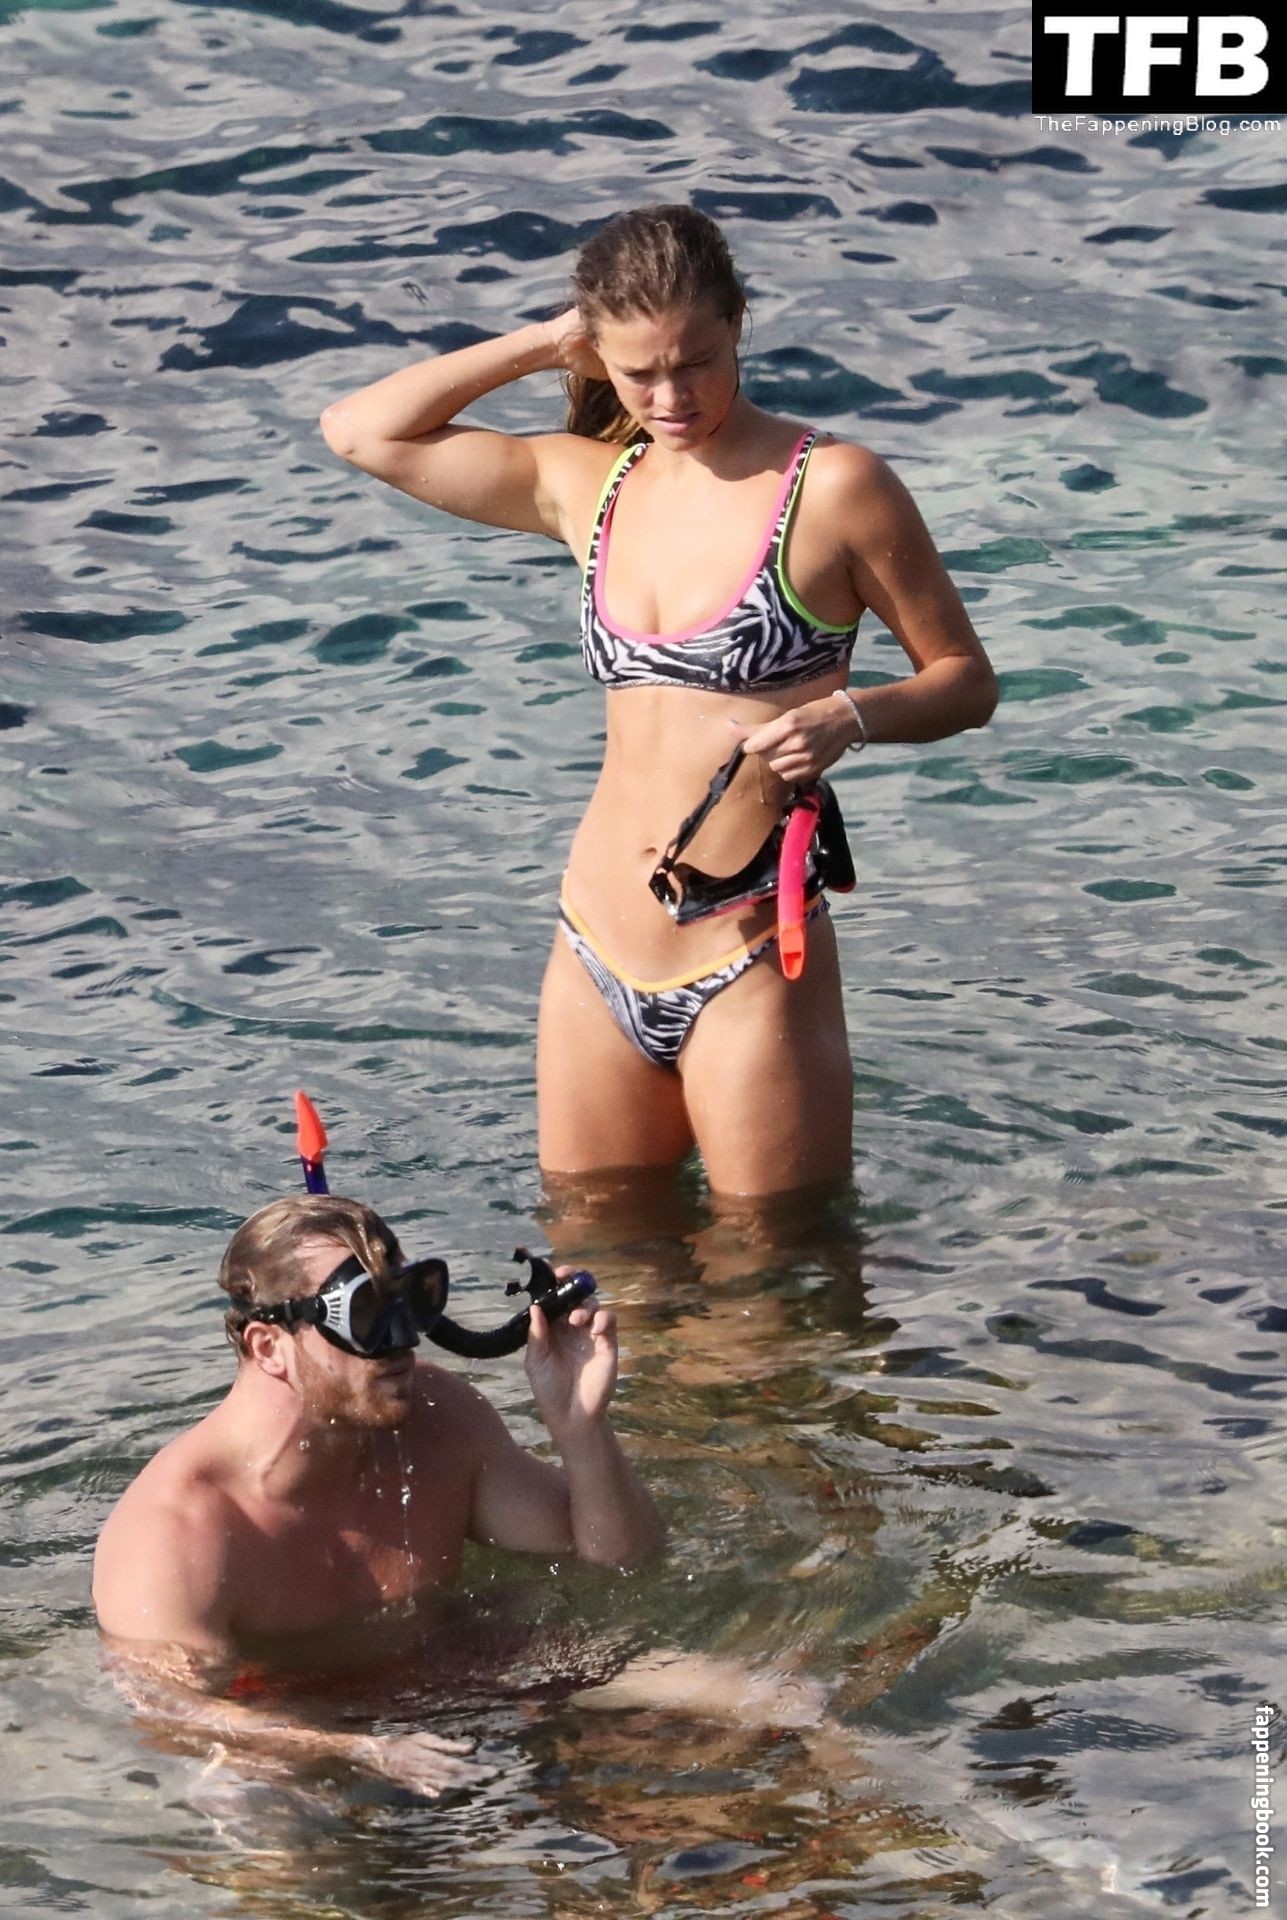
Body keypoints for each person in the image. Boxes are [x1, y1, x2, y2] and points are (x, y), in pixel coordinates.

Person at [320, 204, 997, 1198]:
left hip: (749, 952)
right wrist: (548, 340)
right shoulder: (589, 486)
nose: (672, 397)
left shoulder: (830, 487)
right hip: (592, 945)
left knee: (772, 1269)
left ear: (738, 325)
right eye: (638, 372)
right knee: (597, 1250)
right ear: (600, 356)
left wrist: (851, 717)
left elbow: (966, 682)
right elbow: (358, 431)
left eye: (698, 363)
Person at [93, 1193, 665, 1793]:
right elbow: (171, 1714)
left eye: (412, 1300)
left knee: (726, 1692)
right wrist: (360, 1752)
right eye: (366, 1312)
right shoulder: (177, 1529)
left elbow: (622, 1563)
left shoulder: (438, 1419)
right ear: (269, 1347)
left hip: (459, 1681)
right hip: (292, 1731)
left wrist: (580, 1426)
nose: (403, 1341)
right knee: (258, 1805)